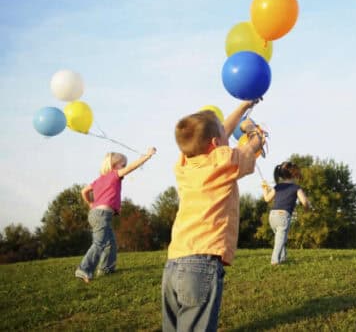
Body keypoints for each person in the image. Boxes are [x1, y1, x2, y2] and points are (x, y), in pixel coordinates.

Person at [162, 100, 264, 331]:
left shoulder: (184, 164)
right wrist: (256, 133)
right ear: (217, 143)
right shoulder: (224, 162)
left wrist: (243, 106)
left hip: (174, 263)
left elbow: (218, 135)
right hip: (201, 264)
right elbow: (250, 149)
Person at [75, 147, 156, 283]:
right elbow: (132, 167)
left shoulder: (99, 180)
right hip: (101, 214)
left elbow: (84, 191)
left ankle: (107, 269)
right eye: (122, 165)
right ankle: (84, 269)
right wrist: (147, 156)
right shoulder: (114, 175)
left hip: (96, 214)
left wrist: (90, 203)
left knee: (110, 243)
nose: (124, 167)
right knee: (99, 243)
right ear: (114, 165)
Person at [261, 161, 311, 265]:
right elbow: (305, 201)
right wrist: (307, 207)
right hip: (283, 216)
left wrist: (264, 189)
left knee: (280, 237)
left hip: (272, 216)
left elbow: (266, 199)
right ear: (294, 174)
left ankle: (283, 258)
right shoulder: (296, 188)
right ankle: (274, 261)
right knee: (280, 239)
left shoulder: (278, 187)